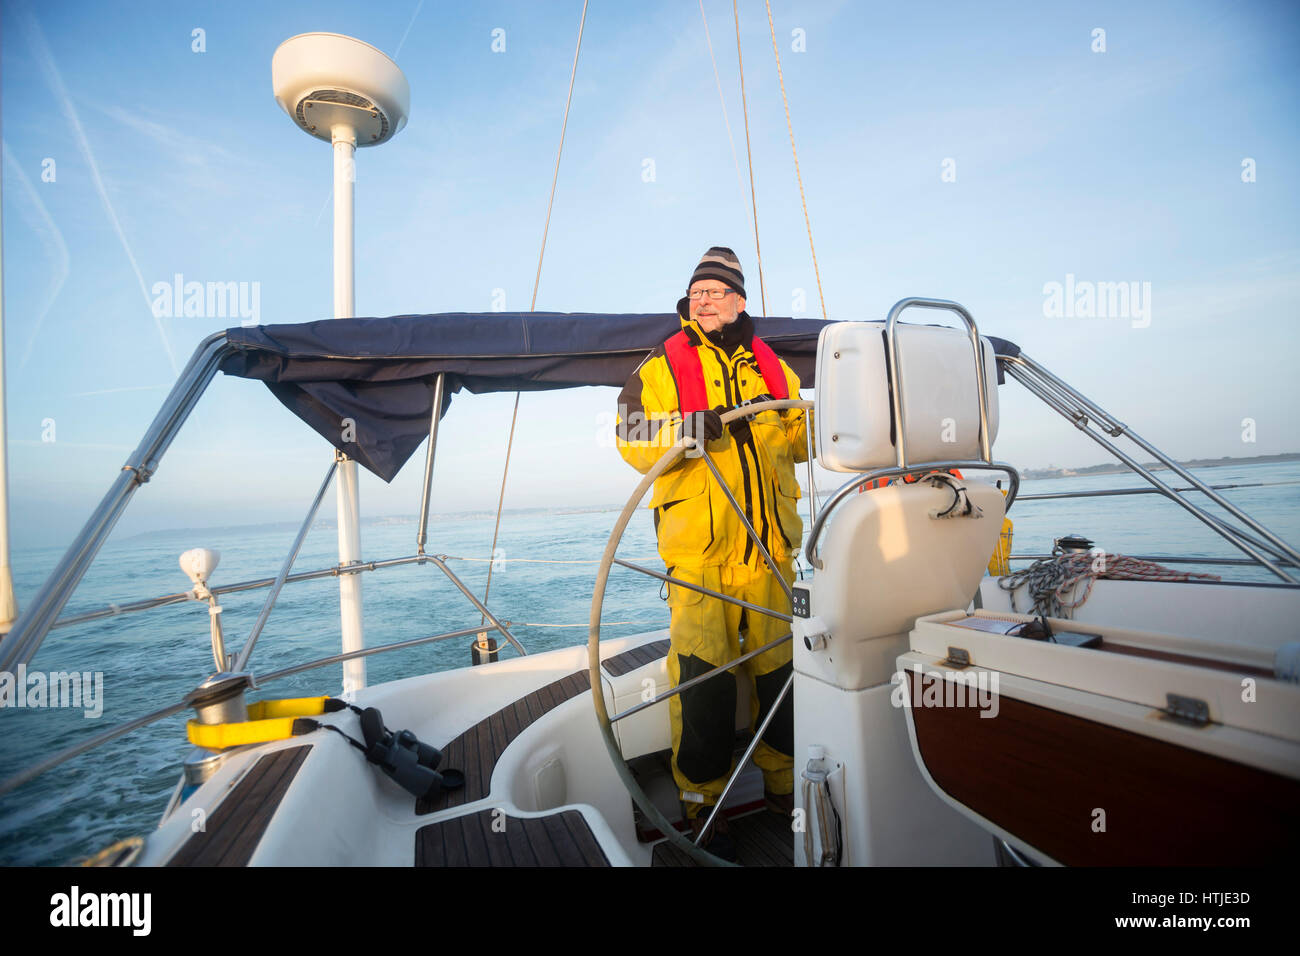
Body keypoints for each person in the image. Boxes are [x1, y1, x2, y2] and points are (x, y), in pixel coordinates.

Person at [615, 246, 807, 856]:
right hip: (700, 558)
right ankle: (703, 806)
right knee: (704, 684)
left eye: (715, 291)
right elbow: (629, 435)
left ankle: (784, 786)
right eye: (696, 291)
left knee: (782, 679)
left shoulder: (773, 366)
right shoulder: (662, 363)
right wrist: (688, 428)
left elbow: (803, 437)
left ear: (741, 300)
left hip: (771, 552)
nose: (703, 299)